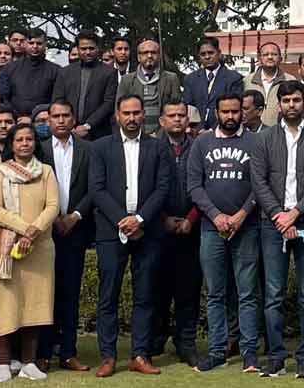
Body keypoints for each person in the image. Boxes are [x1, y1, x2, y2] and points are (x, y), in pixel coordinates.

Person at [251, 82, 304, 378]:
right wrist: (279, 216)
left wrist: (295, 214)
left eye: (296, 100)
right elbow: (258, 181)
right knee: (273, 294)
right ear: (279, 104)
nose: (291, 105)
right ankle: (276, 357)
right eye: (285, 100)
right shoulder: (264, 139)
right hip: (272, 223)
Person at [87, 96, 172, 376]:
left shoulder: (158, 147)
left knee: (145, 295)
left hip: (148, 231)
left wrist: (140, 219)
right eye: (127, 113)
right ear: (117, 115)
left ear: (143, 115)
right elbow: (96, 189)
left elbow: (162, 188)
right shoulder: (100, 147)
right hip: (111, 231)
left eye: (136, 113)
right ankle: (108, 357)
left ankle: (140, 354)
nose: (132, 118)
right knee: (108, 296)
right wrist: (123, 221)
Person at [185, 92, 263, 373]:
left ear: (243, 112)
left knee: (248, 293)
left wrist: (242, 214)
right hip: (211, 228)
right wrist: (215, 215)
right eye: (225, 111)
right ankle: (217, 351)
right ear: (216, 113)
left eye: (235, 111)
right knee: (215, 294)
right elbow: (194, 185)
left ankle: (250, 353)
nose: (231, 116)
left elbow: (261, 184)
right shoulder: (202, 142)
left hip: (247, 227)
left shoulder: (255, 142)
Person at [0, 123, 61, 382]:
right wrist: (23, 229)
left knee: (34, 305)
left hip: (39, 249)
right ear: (12, 144)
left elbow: (53, 206)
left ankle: (29, 363)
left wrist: (33, 233)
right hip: (6, 250)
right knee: (4, 303)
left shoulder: (46, 172)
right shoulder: (0, 172)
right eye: (19, 140)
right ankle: (3, 364)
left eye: (29, 139)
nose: (25, 143)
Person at [39, 99, 93, 372]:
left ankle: (69, 352)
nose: (60, 120)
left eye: (65, 116)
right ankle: (43, 353)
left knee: (70, 293)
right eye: (56, 116)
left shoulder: (88, 149)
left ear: (74, 119)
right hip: (44, 231)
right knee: (44, 294)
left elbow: (95, 187)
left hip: (75, 230)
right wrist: (50, 218)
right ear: (48, 120)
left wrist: (75, 216)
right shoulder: (39, 149)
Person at [152, 101, 202, 365]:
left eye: (182, 115)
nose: (177, 119)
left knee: (188, 289)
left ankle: (186, 342)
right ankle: (155, 340)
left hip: (192, 228)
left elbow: (206, 185)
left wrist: (191, 219)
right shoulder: (151, 148)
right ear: (162, 121)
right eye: (171, 115)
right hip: (159, 228)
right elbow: (146, 187)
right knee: (157, 288)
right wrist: (164, 219)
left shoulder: (199, 147)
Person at [116, 37, 182, 134]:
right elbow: (118, 112)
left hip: (163, 136)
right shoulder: (127, 80)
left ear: (159, 56)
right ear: (139, 57)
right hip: (135, 135)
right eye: (145, 53)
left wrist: (160, 134)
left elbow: (177, 110)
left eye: (153, 52)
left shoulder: (171, 79)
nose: (150, 56)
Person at [185, 36, 245, 130]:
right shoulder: (190, 79)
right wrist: (198, 129)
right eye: (203, 54)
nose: (207, 57)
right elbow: (189, 107)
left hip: (223, 130)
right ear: (199, 57)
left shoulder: (234, 78)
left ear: (219, 53)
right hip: (196, 132)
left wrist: (213, 131)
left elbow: (234, 108)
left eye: (211, 53)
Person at [2, 32, 59, 118]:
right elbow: (4, 98)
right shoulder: (9, 69)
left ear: (45, 45)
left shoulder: (56, 70)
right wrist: (17, 117)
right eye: (31, 43)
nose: (35, 46)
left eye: (39, 43)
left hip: (44, 120)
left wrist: (34, 117)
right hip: (15, 120)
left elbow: (57, 99)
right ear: (25, 44)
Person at [248, 42, 297, 130]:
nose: (270, 57)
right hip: (253, 133)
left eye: (274, 54)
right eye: (266, 54)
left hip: (281, 132)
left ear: (280, 58)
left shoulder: (290, 80)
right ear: (259, 58)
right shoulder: (247, 81)